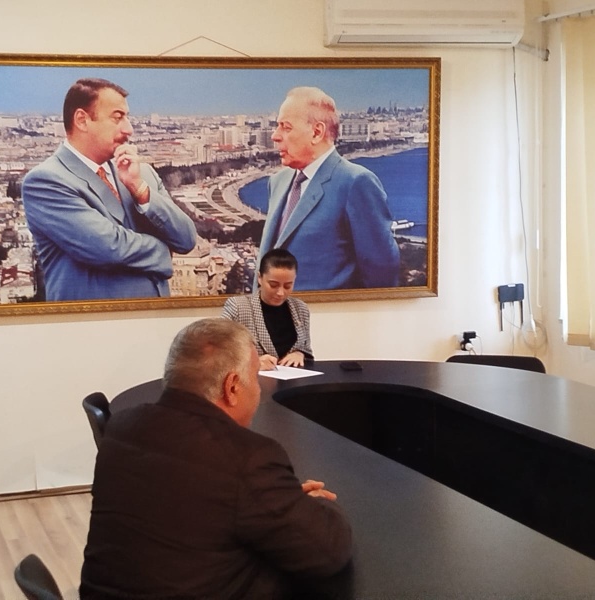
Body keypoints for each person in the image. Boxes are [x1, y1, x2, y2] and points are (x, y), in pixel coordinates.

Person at [79, 318, 352, 600]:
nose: (258, 390)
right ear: (232, 387)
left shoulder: (122, 427)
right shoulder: (247, 457)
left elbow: (194, 507)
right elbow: (328, 551)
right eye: (255, 378)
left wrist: (279, 499)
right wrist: (317, 504)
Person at [22, 78, 196, 301]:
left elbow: (186, 239)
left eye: (127, 117)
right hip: (97, 319)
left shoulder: (142, 173)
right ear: (82, 120)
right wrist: (164, 250)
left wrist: (140, 190)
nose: (129, 129)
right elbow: (109, 248)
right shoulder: (46, 181)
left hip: (157, 317)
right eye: (117, 117)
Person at [258, 86, 400, 290]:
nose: (275, 136)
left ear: (317, 132)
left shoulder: (356, 183)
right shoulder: (278, 181)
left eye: (286, 127)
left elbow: (382, 274)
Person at [222, 248, 313, 370]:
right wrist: (254, 362)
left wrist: (300, 354)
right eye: (273, 285)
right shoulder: (237, 306)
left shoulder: (300, 308)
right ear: (260, 278)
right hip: (254, 380)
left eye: (288, 286)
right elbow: (221, 353)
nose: (280, 293)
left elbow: (306, 349)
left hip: (295, 380)